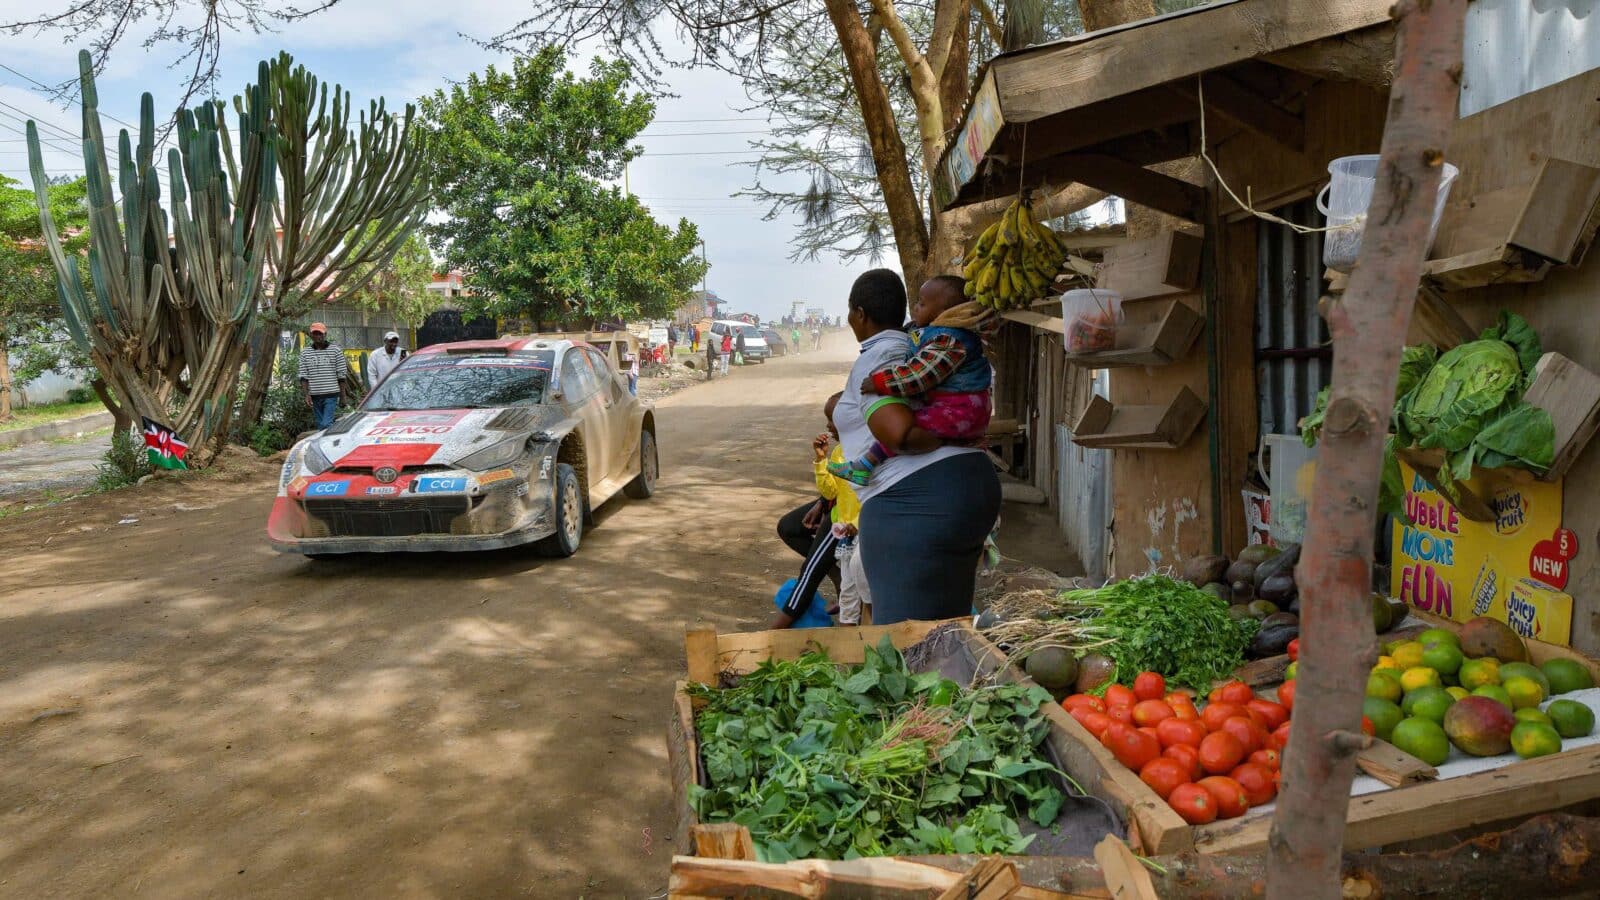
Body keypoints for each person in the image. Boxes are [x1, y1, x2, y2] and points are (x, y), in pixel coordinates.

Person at [832, 269, 1001, 625]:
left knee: (903, 641)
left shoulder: (883, 355)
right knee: (946, 632)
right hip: (962, 487)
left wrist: (940, 435)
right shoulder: (914, 344)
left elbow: (900, 434)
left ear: (859, 314)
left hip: (915, 502)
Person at [828, 275, 992, 486]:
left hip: (962, 408)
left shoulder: (950, 341)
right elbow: (915, 336)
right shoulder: (926, 333)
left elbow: (918, 375)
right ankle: (865, 465)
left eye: (921, 304)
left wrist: (881, 382)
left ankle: (866, 465)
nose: (914, 309)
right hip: (957, 407)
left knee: (920, 426)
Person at [771, 393, 859, 629]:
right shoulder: (840, 451)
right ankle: (836, 578)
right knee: (790, 529)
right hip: (839, 510)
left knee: (810, 572)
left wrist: (855, 523)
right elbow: (832, 490)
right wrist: (821, 462)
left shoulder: (864, 452)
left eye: (832, 419)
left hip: (847, 522)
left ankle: (777, 629)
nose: (828, 426)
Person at [298, 322, 347, 430]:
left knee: (326, 424)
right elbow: (303, 376)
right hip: (315, 396)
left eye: (320, 333)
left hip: (331, 394)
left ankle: (335, 437)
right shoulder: (305, 353)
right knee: (321, 426)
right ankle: (330, 444)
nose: (317, 336)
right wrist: (306, 395)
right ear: (311, 335)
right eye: (315, 333)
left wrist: (343, 396)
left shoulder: (335, 351)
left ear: (325, 334)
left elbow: (342, 375)